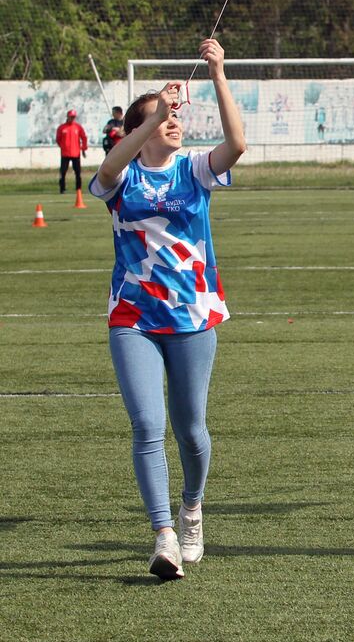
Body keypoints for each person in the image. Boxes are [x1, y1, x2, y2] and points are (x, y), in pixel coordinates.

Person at [89, 39, 246, 581]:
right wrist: (154, 111)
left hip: (192, 316)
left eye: (176, 115)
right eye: (163, 117)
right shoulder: (122, 177)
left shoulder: (194, 170)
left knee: (192, 431)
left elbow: (237, 144)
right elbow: (109, 166)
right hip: (132, 318)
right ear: (141, 127)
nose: (175, 121)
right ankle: (163, 537)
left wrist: (218, 73)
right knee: (147, 425)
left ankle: (192, 509)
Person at [56, 109, 88, 194]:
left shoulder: (78, 127)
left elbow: (84, 138)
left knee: (78, 172)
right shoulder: (62, 127)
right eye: (71, 117)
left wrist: (83, 148)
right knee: (63, 172)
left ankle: (78, 189)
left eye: (73, 117)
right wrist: (63, 147)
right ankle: (62, 189)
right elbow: (58, 139)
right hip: (65, 154)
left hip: (75, 153)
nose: (72, 118)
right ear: (67, 116)